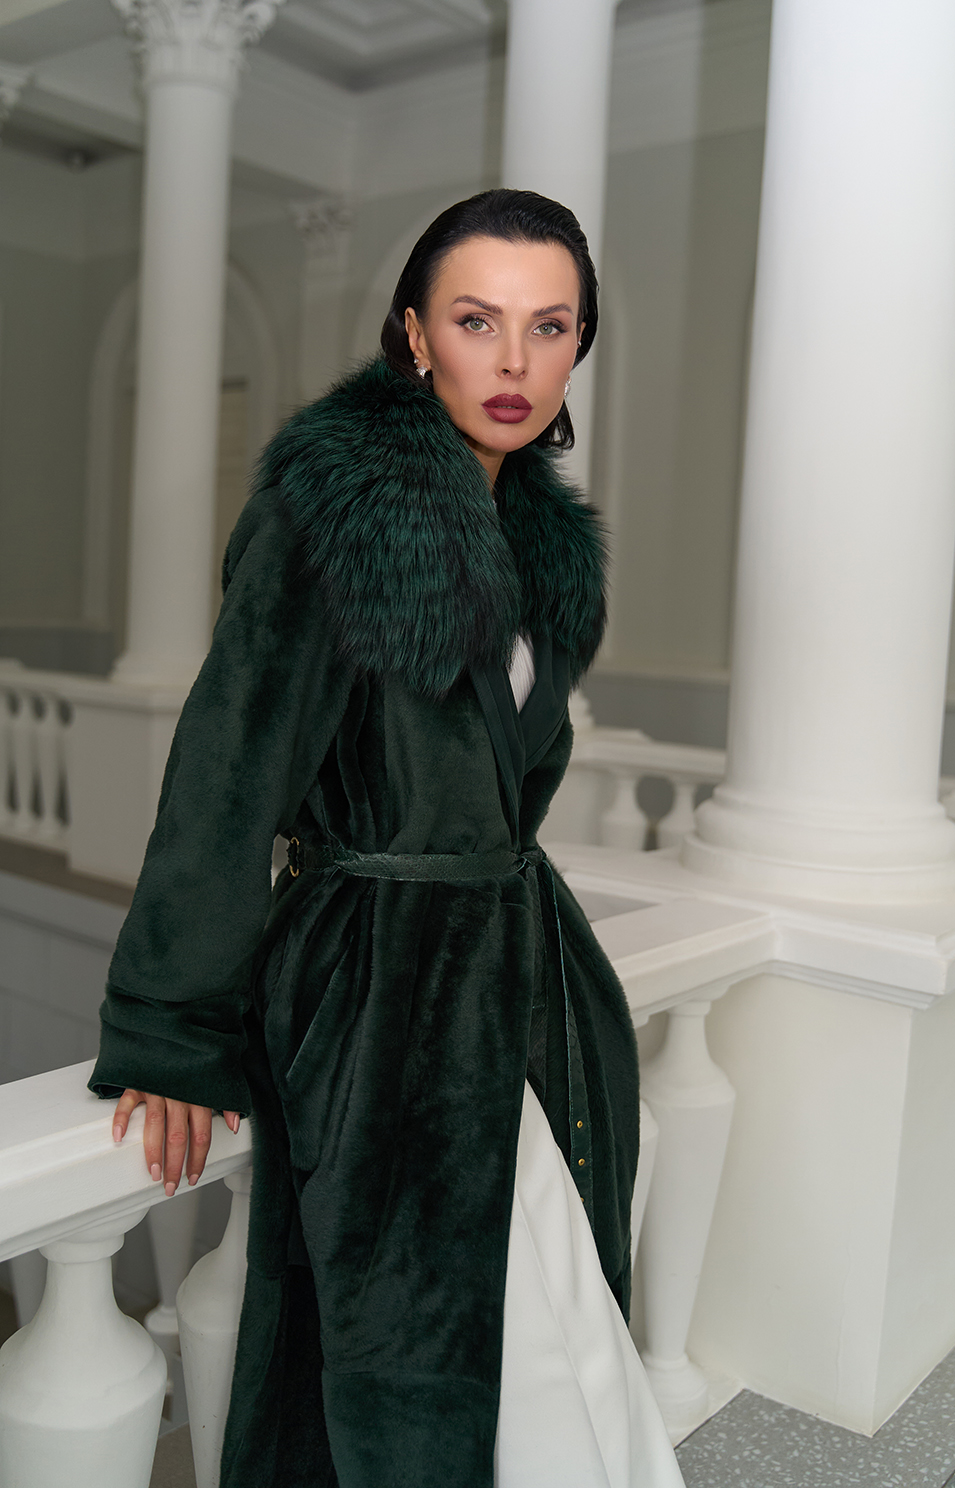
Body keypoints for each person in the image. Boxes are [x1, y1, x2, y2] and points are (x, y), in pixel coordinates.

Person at [89, 188, 687, 1488]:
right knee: (426, 1350)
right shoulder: (335, 514)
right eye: (477, 320)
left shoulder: (534, 542)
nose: (514, 359)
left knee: (550, 1315)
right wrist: (171, 1027)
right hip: (375, 986)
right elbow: (228, 771)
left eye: (549, 326)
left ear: (580, 345)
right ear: (415, 334)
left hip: (509, 976)